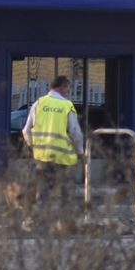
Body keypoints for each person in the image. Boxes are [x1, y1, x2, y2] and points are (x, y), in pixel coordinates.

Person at [21, 75, 83, 203]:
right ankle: (65, 219)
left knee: (43, 193)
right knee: (66, 193)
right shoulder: (67, 105)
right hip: (63, 158)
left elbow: (26, 131)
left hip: (42, 156)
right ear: (63, 87)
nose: (68, 91)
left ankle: (41, 219)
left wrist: (33, 146)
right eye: (68, 88)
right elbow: (75, 132)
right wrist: (80, 152)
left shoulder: (39, 103)